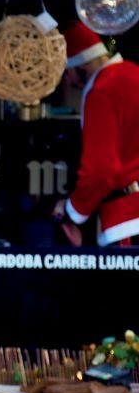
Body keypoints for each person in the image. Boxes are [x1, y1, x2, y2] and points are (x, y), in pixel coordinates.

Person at [53, 21, 139, 247]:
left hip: (129, 217)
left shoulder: (101, 92)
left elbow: (101, 171)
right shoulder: (133, 74)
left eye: (66, 74)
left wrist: (72, 211)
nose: (69, 83)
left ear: (77, 66)